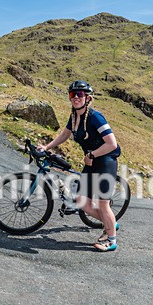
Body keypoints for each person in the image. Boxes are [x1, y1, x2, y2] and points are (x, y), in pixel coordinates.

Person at [37, 80, 121, 251]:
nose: (76, 97)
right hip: (91, 161)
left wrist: (92, 154)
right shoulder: (75, 116)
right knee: (83, 202)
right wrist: (47, 147)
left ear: (87, 98)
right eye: (72, 94)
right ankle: (110, 222)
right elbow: (65, 134)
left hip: (105, 161)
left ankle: (111, 240)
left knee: (103, 204)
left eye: (80, 94)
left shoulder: (95, 117)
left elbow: (112, 144)